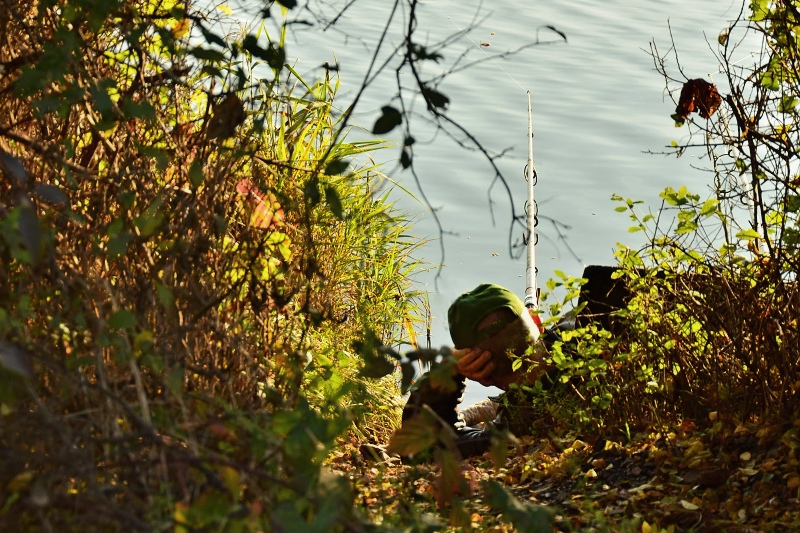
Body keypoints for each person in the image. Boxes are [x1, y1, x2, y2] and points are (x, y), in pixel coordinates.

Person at [400, 283, 559, 458]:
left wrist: (447, 371)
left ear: (483, 378)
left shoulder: (511, 432)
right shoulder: (581, 341)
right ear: (538, 323)